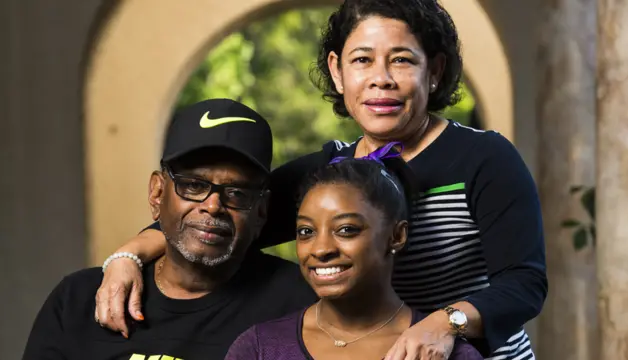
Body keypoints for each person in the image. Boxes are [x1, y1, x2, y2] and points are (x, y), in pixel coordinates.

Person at [95, 0, 548, 359]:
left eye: (403, 61)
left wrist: (441, 325)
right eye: (362, 60)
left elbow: (524, 284)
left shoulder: (483, 158)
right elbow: (230, 218)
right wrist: (128, 255)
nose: (381, 80)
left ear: (435, 71)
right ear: (337, 70)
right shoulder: (331, 174)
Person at [22, 99, 317, 360]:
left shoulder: (300, 305)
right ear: (157, 194)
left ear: (262, 211)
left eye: (237, 193)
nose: (213, 206)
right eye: (193, 185)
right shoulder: (79, 300)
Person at [225, 144, 483, 360]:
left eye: (346, 229)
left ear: (396, 236)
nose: (321, 249)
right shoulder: (258, 348)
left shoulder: (443, 353)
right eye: (306, 232)